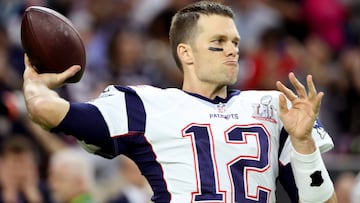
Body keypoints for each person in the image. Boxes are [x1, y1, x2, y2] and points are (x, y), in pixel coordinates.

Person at [22, 1, 337, 203]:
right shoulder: (144, 104)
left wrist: (304, 143)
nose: (232, 51)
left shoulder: (274, 106)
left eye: (235, 43)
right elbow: (49, 112)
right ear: (185, 53)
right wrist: (37, 86)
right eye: (218, 43)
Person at [0, 135, 53, 203]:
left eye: (24, 166)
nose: (19, 172)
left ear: (35, 168)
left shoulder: (49, 191)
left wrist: (34, 199)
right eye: (14, 167)